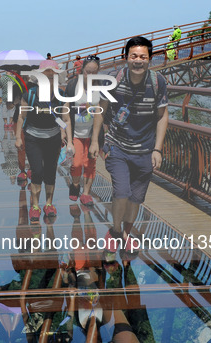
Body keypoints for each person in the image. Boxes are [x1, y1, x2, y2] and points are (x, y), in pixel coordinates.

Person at [89, 36, 169, 253]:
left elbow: (162, 116)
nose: (138, 60)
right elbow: (101, 109)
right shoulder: (113, 79)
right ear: (126, 57)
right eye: (133, 55)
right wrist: (96, 140)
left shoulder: (158, 81)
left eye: (143, 56)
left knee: (135, 198)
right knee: (121, 191)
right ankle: (115, 231)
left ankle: (126, 232)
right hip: (117, 146)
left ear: (150, 59)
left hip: (145, 149)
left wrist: (157, 149)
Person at [15, 60, 73, 223]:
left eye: (52, 77)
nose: (49, 81)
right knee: (37, 171)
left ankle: (48, 204)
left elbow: (65, 119)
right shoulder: (30, 95)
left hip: (53, 137)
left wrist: (69, 141)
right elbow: (21, 117)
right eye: (45, 77)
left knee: (50, 172)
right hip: (33, 137)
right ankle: (35, 206)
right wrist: (18, 137)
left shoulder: (61, 96)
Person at [64, 55, 102, 206]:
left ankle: (86, 194)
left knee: (90, 164)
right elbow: (65, 114)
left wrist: (96, 141)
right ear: (82, 71)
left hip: (93, 133)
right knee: (77, 163)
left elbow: (101, 114)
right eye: (87, 72)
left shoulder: (100, 88)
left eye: (94, 72)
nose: (90, 76)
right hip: (76, 134)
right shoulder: (73, 85)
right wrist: (66, 136)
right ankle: (74, 185)